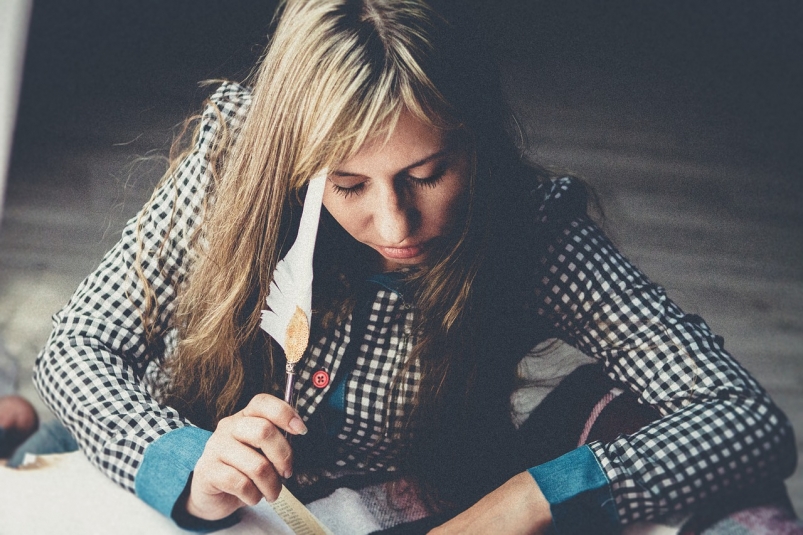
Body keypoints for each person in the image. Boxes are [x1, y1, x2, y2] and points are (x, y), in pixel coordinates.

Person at [27, 0, 797, 533]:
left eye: (427, 174)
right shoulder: (235, 167)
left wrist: (526, 501)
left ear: (475, 139)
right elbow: (75, 347)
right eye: (348, 186)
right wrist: (188, 464)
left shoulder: (529, 231)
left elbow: (745, 417)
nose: (396, 225)